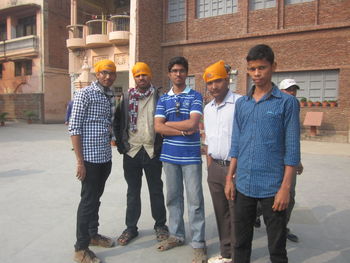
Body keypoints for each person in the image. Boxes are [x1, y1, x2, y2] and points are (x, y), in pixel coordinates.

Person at [225, 44, 300, 263]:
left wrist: (285, 188)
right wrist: (230, 177)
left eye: (262, 68)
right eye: (252, 69)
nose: (257, 74)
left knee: (276, 246)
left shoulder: (287, 103)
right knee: (240, 243)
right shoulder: (243, 104)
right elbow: (236, 143)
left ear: (273, 67)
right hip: (244, 185)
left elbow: (293, 149)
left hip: (272, 187)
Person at [154, 56, 207, 263]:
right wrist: (181, 130)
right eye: (174, 70)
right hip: (169, 156)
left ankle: (199, 243)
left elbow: (193, 124)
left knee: (195, 201)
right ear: (169, 74)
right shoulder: (163, 99)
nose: (178, 74)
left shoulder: (195, 96)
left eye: (182, 70)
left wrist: (170, 126)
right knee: (173, 198)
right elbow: (158, 127)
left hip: (191, 156)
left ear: (187, 73)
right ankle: (176, 235)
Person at [113, 62, 169, 246]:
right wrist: (122, 146)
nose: (141, 78)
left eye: (144, 74)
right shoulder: (127, 97)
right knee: (132, 192)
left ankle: (160, 225)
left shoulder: (159, 97)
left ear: (150, 76)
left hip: (152, 151)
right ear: (134, 78)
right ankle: (131, 228)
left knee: (156, 190)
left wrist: (161, 146)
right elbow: (118, 122)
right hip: (132, 152)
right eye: (138, 75)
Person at [69, 59, 117, 263]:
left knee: (95, 199)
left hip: (104, 157)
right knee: (88, 201)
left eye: (111, 73)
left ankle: (92, 234)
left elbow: (108, 123)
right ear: (97, 74)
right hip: (89, 159)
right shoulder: (85, 94)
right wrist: (80, 161)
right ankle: (80, 249)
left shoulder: (110, 95)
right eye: (104, 72)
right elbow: (74, 128)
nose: (107, 76)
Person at [203, 61, 242, 263]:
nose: (214, 86)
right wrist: (209, 164)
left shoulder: (240, 103)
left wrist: (236, 170)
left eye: (218, 81)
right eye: (210, 83)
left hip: (235, 169)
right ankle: (226, 253)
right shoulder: (208, 108)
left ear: (227, 80)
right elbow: (208, 139)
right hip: (215, 168)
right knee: (221, 213)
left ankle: (238, 256)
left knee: (237, 215)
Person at [278, 78, 304, 242]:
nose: (292, 93)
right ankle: (255, 216)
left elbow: (294, 138)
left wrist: (297, 160)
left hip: (289, 160)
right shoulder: (275, 107)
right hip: (274, 160)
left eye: (294, 89)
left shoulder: (295, 107)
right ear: (281, 92)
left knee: (290, 195)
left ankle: (282, 228)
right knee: (266, 196)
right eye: (288, 89)